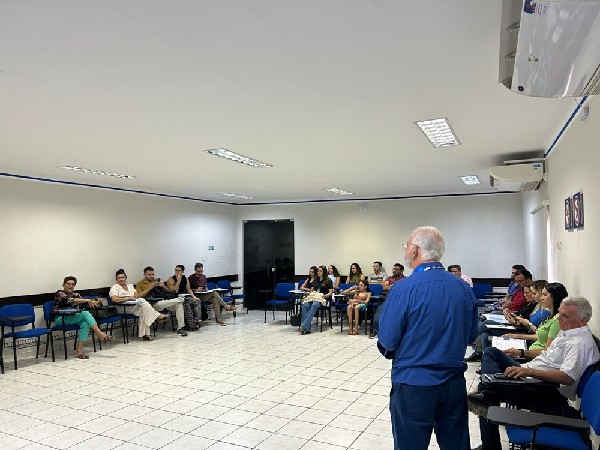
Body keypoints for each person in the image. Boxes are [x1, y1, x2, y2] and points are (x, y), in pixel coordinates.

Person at [378, 226, 478, 450]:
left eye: (406, 246)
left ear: (415, 250)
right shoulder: (463, 288)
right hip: (453, 382)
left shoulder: (403, 289)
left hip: (414, 383)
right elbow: (471, 336)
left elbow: (387, 341)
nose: (405, 250)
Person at [469, 296, 600, 450]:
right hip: (532, 373)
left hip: (547, 390)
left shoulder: (580, 343)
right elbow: (547, 354)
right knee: (492, 353)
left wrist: (528, 371)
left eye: (565, 316)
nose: (559, 319)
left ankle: (489, 441)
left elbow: (567, 378)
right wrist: (522, 353)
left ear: (582, 321)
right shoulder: (568, 332)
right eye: (559, 313)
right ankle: (487, 387)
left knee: (487, 397)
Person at [54, 276, 114, 359]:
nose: (70, 286)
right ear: (64, 284)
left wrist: (96, 301)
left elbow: (86, 304)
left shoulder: (76, 295)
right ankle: (100, 334)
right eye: (68, 284)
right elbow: (69, 300)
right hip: (61, 318)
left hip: (73, 317)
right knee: (85, 313)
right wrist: (87, 300)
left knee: (85, 324)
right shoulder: (60, 293)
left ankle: (78, 351)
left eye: (73, 284)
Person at [109, 269, 169, 341]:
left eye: (123, 277)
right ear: (116, 279)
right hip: (121, 307)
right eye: (119, 278)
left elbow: (137, 296)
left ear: (125, 278)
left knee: (144, 310)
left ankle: (145, 335)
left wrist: (133, 297)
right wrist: (128, 298)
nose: (121, 279)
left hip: (133, 305)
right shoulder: (115, 287)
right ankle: (157, 317)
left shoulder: (130, 286)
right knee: (144, 307)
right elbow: (114, 299)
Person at [135, 266, 188, 336]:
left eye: (153, 274)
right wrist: (150, 288)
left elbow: (169, 293)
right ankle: (181, 299)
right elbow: (138, 296)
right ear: (144, 275)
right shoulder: (140, 283)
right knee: (179, 301)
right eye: (149, 275)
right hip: (151, 305)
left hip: (163, 301)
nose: (152, 276)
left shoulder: (156, 281)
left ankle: (180, 328)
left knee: (179, 304)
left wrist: (163, 286)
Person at [368, 263, 406, 339]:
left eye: (396, 269)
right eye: (393, 269)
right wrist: (393, 286)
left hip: (399, 300)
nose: (394, 270)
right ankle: (375, 330)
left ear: (401, 271)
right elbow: (385, 288)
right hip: (387, 298)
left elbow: (402, 289)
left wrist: (391, 286)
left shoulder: (405, 279)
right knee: (378, 313)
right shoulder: (389, 278)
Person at [298, 266, 333, 335]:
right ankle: (306, 329)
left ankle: (303, 326)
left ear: (324, 272)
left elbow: (330, 293)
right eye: (318, 271)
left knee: (314, 305)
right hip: (314, 297)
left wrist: (324, 296)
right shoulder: (316, 280)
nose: (318, 272)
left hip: (323, 298)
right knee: (305, 305)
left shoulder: (328, 280)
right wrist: (308, 296)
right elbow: (312, 290)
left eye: (320, 271)